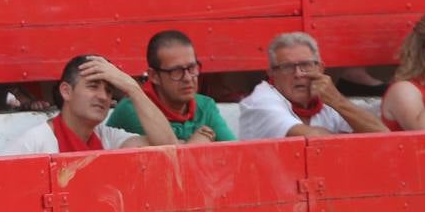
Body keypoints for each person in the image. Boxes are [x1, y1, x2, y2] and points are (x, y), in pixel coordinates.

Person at [4, 55, 179, 154]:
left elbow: (169, 148)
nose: (103, 97)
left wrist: (133, 88)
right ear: (66, 91)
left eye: (109, 90)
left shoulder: (109, 138)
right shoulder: (33, 144)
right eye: (93, 86)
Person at [239, 31, 388, 138]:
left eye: (306, 65)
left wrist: (338, 101)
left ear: (320, 69)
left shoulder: (328, 98)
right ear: (271, 73)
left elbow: (384, 136)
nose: (298, 74)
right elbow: (314, 141)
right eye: (287, 67)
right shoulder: (261, 101)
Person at [107, 30, 236, 143]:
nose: (187, 78)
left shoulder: (205, 106)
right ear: (154, 76)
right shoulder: (134, 109)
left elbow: (236, 154)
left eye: (191, 68)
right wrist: (197, 145)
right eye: (176, 71)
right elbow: (172, 159)